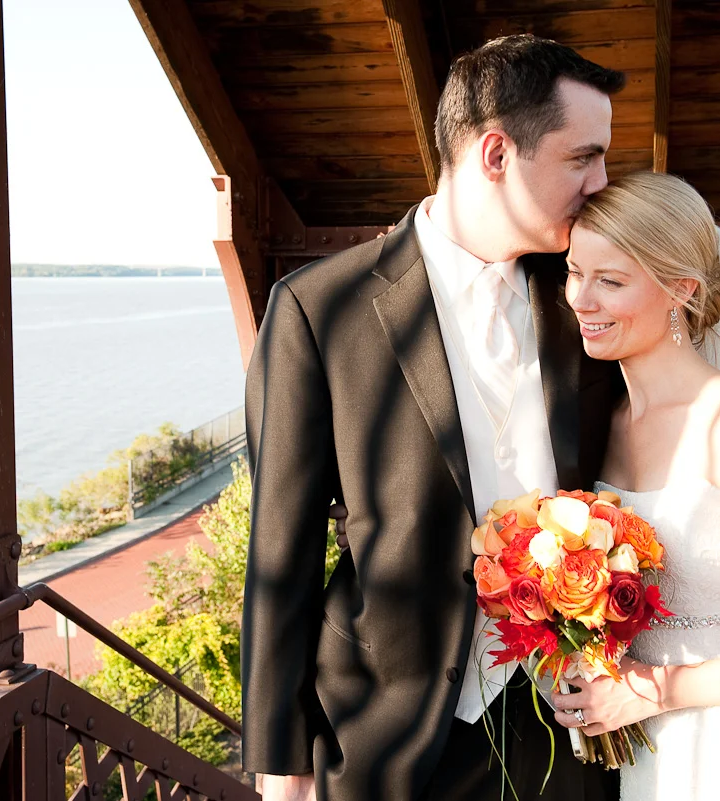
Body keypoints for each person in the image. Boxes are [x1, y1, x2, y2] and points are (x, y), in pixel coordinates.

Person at [242, 35, 625, 801]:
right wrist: (280, 772)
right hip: (388, 735)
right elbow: (278, 556)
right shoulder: (318, 309)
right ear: (495, 154)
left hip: (568, 721)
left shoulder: (591, 293)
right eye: (581, 157)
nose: (602, 181)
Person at [552, 170, 720, 801]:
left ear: (681, 288)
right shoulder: (601, 422)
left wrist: (647, 691)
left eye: (611, 281)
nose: (580, 299)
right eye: (574, 271)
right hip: (643, 760)